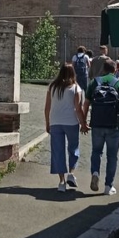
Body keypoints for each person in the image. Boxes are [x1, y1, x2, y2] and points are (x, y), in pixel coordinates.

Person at [82, 59, 119, 195]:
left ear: (103, 70)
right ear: (115, 70)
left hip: (97, 124)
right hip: (113, 125)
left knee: (96, 151)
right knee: (112, 156)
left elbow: (86, 104)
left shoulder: (95, 83)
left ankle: (95, 172)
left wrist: (83, 122)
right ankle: (108, 186)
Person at [45, 62, 85, 192]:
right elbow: (78, 109)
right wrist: (83, 123)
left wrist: (47, 123)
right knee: (73, 148)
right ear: (73, 73)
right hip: (71, 122)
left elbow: (47, 107)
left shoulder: (52, 87)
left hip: (55, 122)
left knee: (57, 151)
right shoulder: (75, 88)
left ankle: (61, 182)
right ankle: (71, 173)